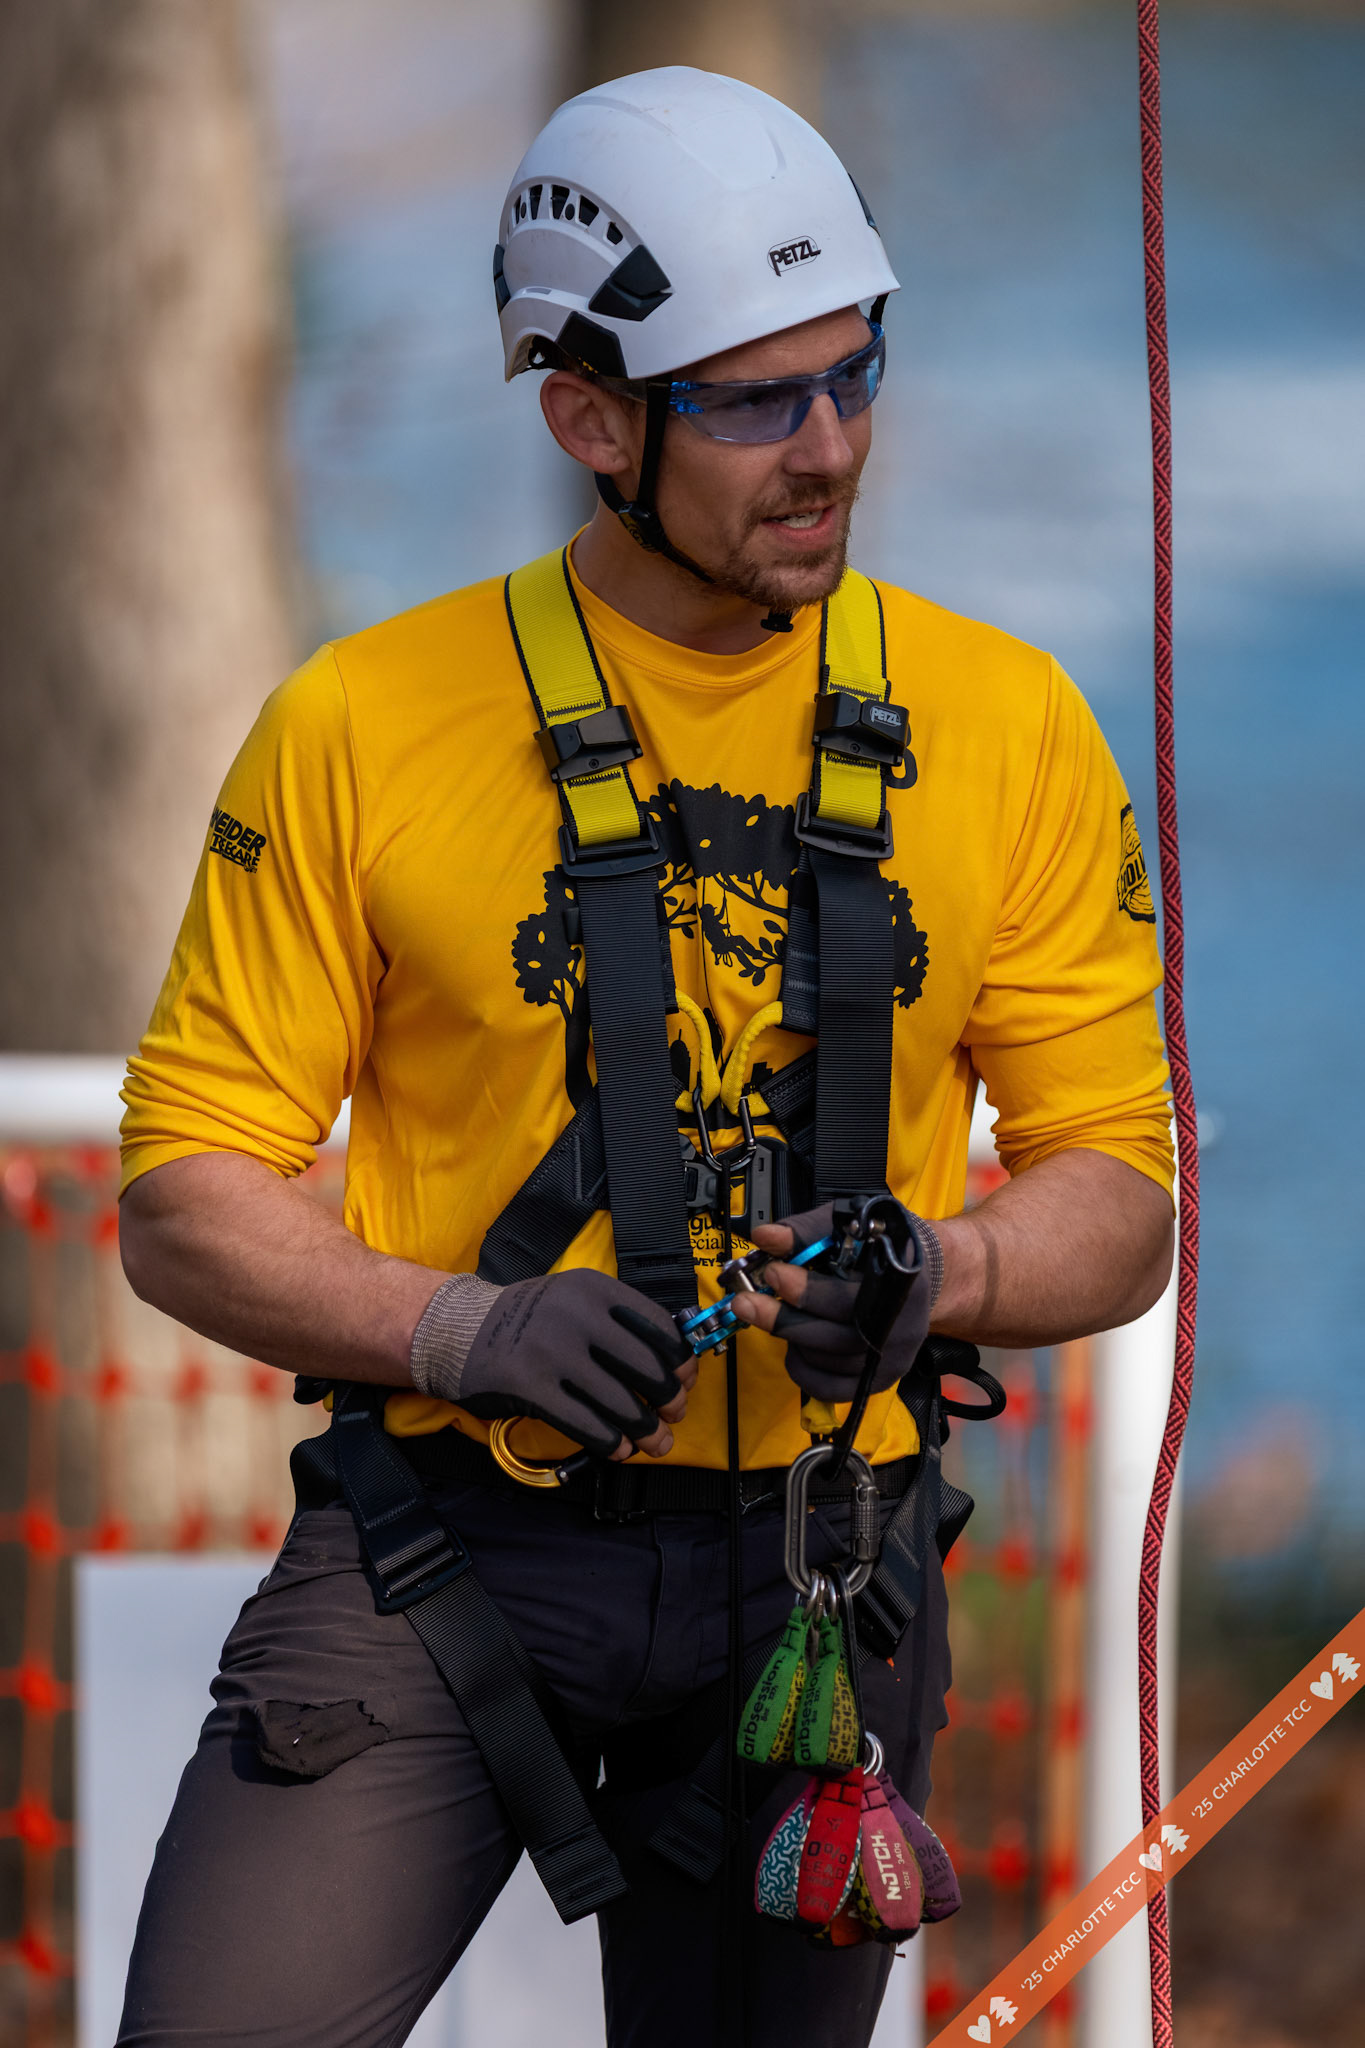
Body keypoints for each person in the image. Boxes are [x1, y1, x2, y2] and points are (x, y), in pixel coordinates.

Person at [115, 65, 1174, 2048]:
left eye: (854, 374)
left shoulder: (1005, 723)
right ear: (587, 417)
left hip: (819, 1576)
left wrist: (939, 1270)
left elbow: (1113, 1197)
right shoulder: (360, 726)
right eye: (755, 400)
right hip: (448, 1544)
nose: (829, 445)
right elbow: (182, 1193)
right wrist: (460, 1330)